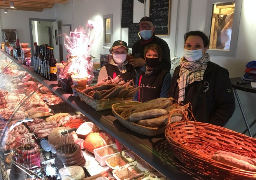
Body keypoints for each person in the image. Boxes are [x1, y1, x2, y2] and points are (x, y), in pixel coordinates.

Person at [168, 30, 235, 127]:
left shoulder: (217, 73)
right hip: (177, 126)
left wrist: (209, 128)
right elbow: (171, 96)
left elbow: (227, 106)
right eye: (189, 45)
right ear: (184, 47)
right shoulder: (179, 70)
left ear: (205, 48)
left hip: (201, 131)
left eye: (197, 46)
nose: (192, 49)